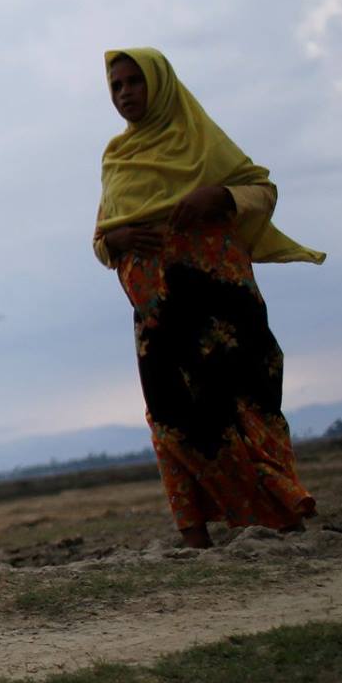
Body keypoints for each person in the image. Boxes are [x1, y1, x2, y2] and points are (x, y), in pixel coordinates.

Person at [92, 48, 325, 549]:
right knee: (172, 416)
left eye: (134, 81)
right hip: (157, 316)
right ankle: (195, 538)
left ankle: (283, 519)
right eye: (116, 86)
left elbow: (261, 189)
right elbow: (101, 240)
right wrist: (119, 240)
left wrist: (218, 196)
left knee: (246, 405)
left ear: (161, 84)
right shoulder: (116, 157)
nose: (125, 93)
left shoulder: (201, 140)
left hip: (223, 308)